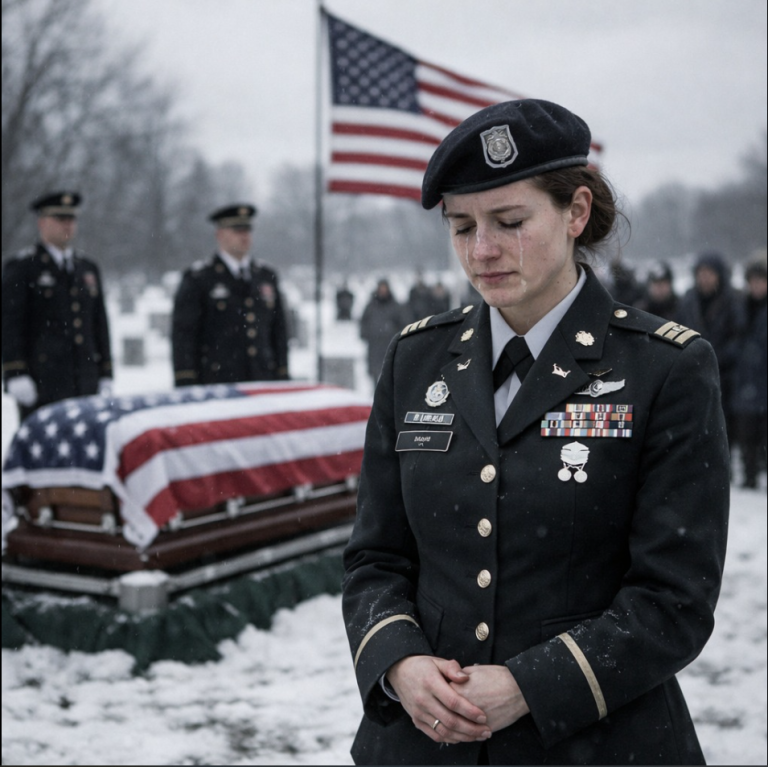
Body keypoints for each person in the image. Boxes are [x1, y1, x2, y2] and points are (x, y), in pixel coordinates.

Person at [342, 99, 729, 765]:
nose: (482, 250)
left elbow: (675, 597)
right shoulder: (417, 359)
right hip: (424, 743)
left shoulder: (664, 367)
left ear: (576, 212)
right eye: (461, 227)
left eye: (510, 221)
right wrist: (399, 662)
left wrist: (530, 684)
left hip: (598, 741)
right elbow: (376, 556)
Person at [2, 191, 113, 422]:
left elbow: (99, 323)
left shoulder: (87, 268)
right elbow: (10, 324)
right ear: (42, 223)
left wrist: (106, 371)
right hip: (42, 381)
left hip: (84, 379)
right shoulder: (23, 268)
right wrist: (15, 372)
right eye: (60, 219)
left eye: (71, 219)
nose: (68, 225)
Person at [171, 203, 290, 385]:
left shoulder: (265, 276)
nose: (244, 236)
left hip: (262, 378)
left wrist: (282, 372)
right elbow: (184, 335)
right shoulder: (200, 278)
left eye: (247, 230)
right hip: (217, 381)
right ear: (219, 234)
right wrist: (186, 379)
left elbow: (278, 330)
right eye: (237, 230)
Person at [677, 251, 744, 449]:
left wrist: (716, 357)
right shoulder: (688, 301)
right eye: (700, 273)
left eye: (709, 273)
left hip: (726, 375)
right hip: (693, 374)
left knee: (724, 428)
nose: (704, 278)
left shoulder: (733, 301)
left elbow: (739, 337)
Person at [730, 256, 767, 489]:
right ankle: (749, 474)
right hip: (744, 380)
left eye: (761, 281)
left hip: (762, 378)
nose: (756, 286)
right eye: (752, 281)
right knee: (746, 432)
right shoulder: (741, 308)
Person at [359, 278, 407, 385]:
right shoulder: (371, 306)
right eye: (381, 288)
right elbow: (363, 321)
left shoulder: (395, 306)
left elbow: (403, 323)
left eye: (385, 288)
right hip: (374, 345)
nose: (383, 290)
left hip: (390, 345)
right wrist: (365, 334)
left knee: (390, 372)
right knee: (375, 373)